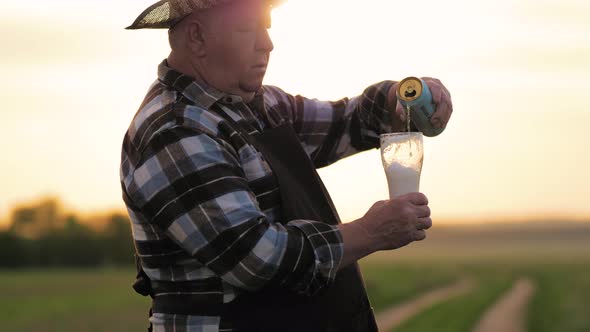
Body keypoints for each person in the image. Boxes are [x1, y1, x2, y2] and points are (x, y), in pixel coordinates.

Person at [120, 0, 453, 331]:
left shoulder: (260, 105)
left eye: (266, 27)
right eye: (247, 29)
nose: (267, 43)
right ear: (197, 37)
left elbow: (344, 123)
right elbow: (255, 257)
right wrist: (369, 232)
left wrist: (398, 99)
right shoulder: (175, 131)